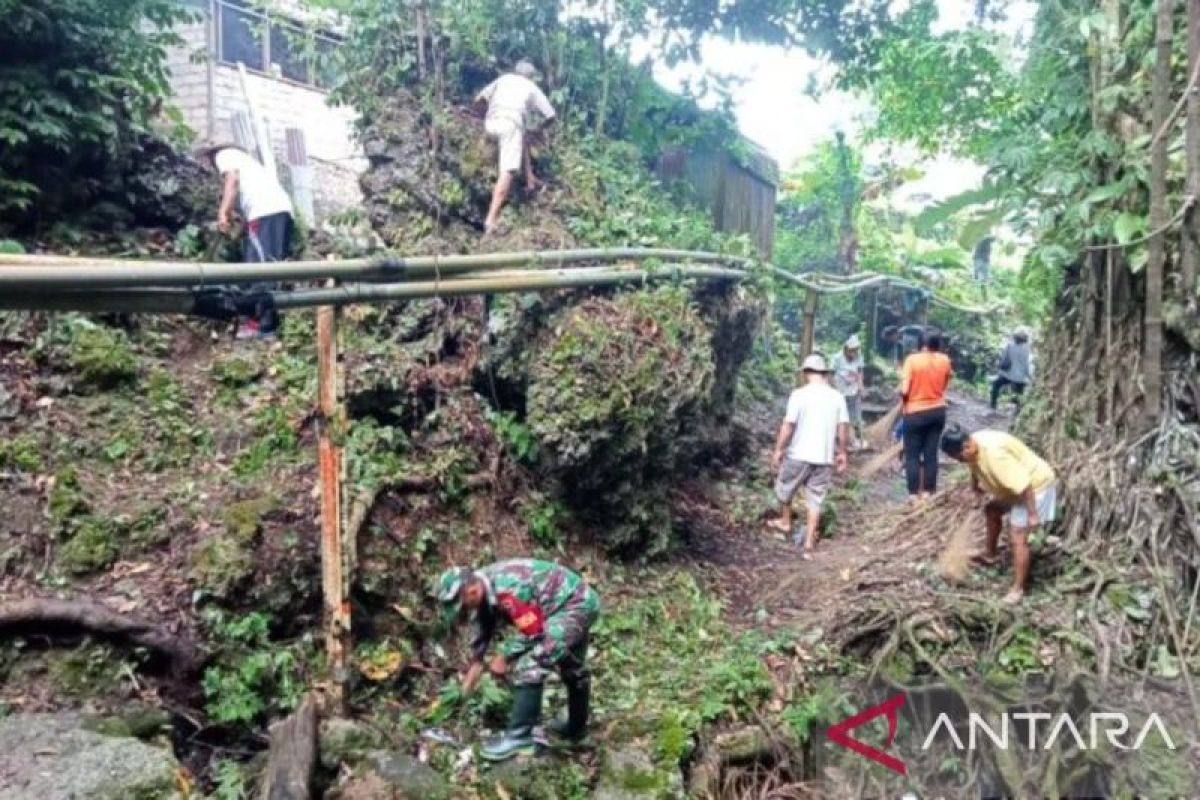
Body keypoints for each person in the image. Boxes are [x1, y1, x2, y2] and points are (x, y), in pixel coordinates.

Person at [436, 559, 600, 761]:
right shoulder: (484, 587)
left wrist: (504, 656)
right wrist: (470, 677)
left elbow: (534, 630)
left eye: (462, 606)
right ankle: (576, 727)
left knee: (531, 664)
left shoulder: (510, 587)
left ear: (472, 591)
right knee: (572, 667)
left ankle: (520, 738)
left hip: (574, 605)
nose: (464, 611)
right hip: (562, 606)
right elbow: (481, 635)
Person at [940, 425, 1057, 604]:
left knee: (1018, 538)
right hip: (1015, 487)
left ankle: (1018, 589)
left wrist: (1032, 515)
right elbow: (973, 465)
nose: (959, 462)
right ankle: (990, 554)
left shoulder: (996, 458)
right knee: (992, 510)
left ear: (967, 446)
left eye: (959, 458)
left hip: (1035, 487)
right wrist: (975, 487)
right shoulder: (973, 443)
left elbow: (1025, 487)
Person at [196, 142, 294, 339]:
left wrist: (223, 212)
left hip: (265, 212)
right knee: (270, 268)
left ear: (209, 156)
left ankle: (260, 325)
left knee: (258, 270)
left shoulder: (224, 155)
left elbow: (232, 180)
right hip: (280, 211)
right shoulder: (247, 163)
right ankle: (266, 323)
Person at [768, 354, 850, 559]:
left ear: (806, 373)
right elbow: (843, 428)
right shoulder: (837, 397)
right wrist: (841, 452)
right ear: (824, 374)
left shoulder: (799, 395)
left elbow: (788, 426)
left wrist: (779, 449)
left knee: (785, 486)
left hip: (798, 454)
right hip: (823, 458)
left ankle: (785, 521)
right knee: (815, 499)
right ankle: (808, 543)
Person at [474, 60, 557, 235]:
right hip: (511, 126)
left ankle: (530, 178)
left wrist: (483, 117)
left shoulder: (503, 79)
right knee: (508, 171)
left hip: (491, 124)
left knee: (522, 136)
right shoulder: (531, 87)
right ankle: (491, 218)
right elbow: (551, 115)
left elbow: (479, 100)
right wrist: (539, 129)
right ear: (531, 77)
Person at [899, 332, 952, 499]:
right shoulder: (945, 360)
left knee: (912, 454)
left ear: (920, 345)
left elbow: (904, 390)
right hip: (937, 411)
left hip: (914, 412)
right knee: (931, 453)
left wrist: (904, 403)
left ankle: (914, 495)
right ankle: (929, 492)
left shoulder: (912, 360)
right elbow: (944, 386)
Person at [831, 334, 865, 448]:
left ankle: (854, 439)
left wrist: (860, 385)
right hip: (839, 389)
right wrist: (833, 388)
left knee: (854, 415)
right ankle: (837, 438)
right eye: (851, 351)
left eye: (855, 351)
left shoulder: (859, 357)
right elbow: (831, 374)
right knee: (839, 415)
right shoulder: (837, 358)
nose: (853, 354)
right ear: (846, 349)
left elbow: (860, 371)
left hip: (853, 390)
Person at [991, 329, 1034, 411]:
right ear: (1026, 339)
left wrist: (999, 372)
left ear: (1015, 337)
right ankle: (1018, 413)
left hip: (1007, 374)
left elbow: (1003, 359)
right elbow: (1027, 365)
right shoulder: (1028, 350)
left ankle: (993, 405)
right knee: (1019, 395)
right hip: (1020, 378)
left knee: (996, 385)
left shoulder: (1009, 346)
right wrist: (1030, 377)